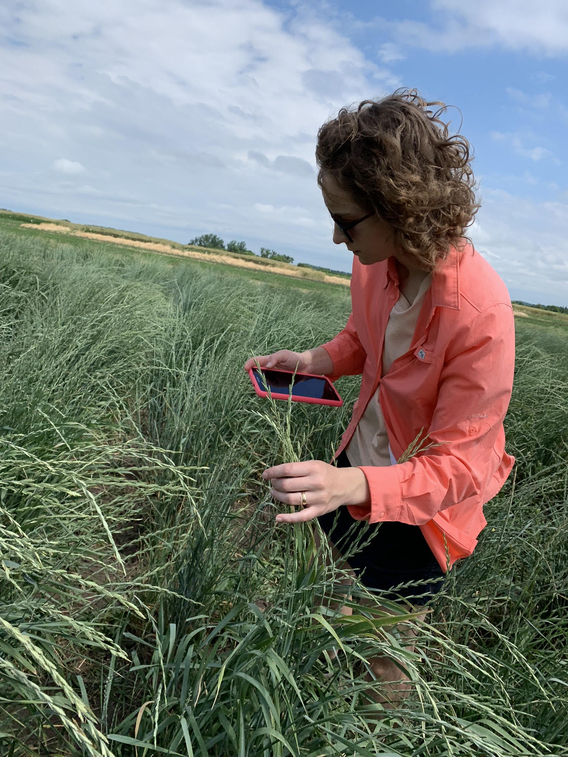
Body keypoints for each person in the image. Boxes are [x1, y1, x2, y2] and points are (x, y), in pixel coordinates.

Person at [244, 89, 515, 695]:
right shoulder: (372, 260)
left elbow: (460, 466)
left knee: (384, 659)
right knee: (333, 594)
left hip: (421, 515)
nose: (338, 239)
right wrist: (316, 360)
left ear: (400, 208)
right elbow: (363, 340)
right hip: (355, 464)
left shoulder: (481, 311)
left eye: (345, 220)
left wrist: (351, 485)